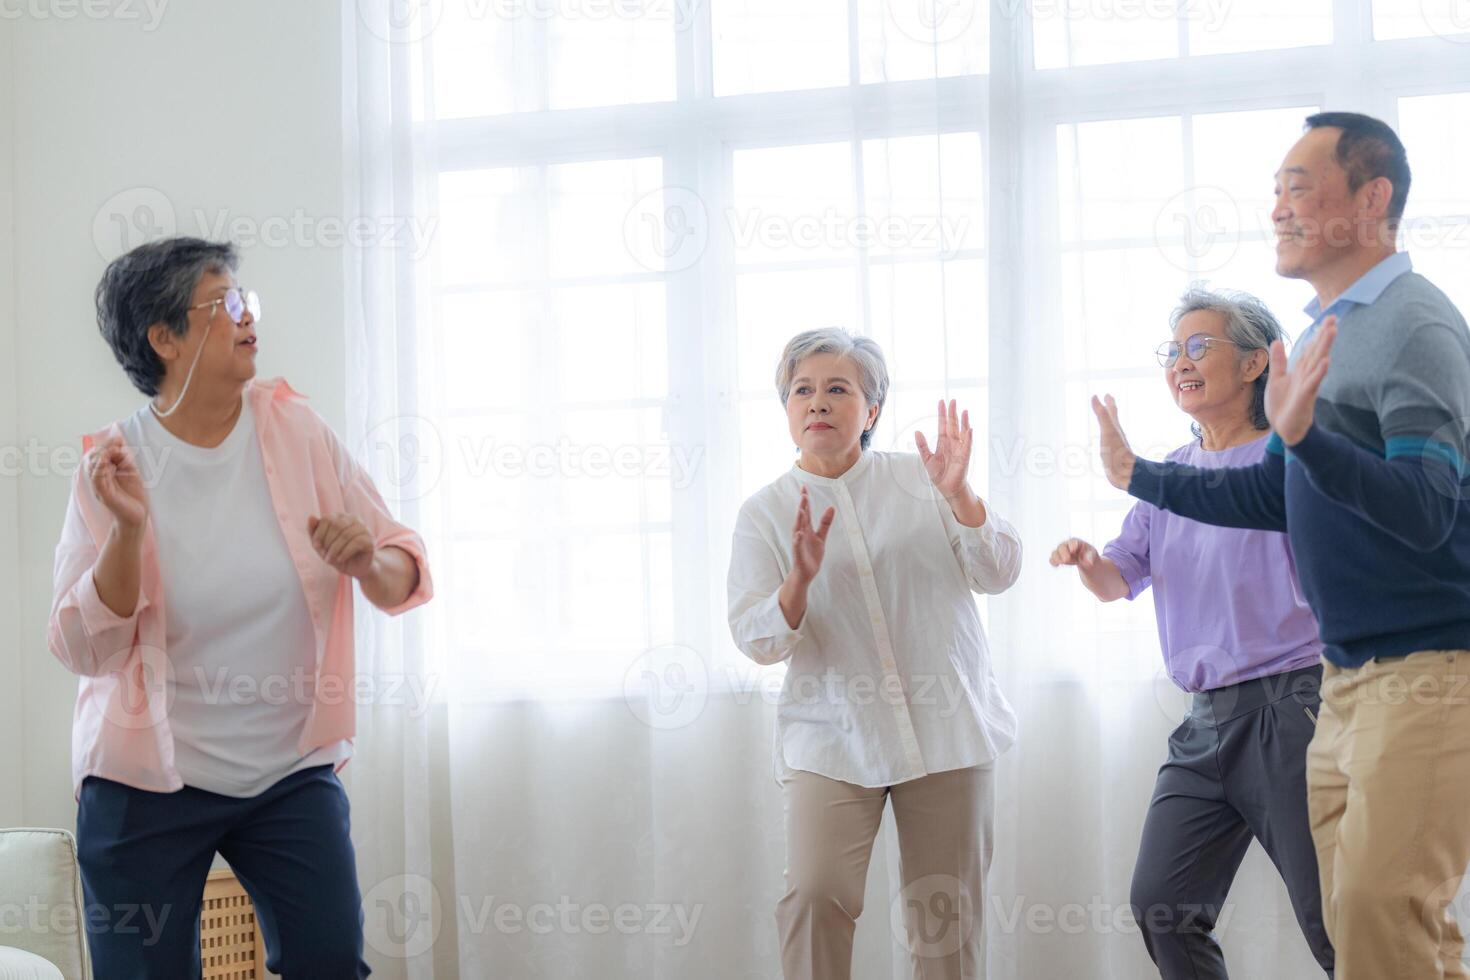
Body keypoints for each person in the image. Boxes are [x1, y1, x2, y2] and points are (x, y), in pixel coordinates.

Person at [1093, 113, 1470, 979]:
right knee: (1379, 928)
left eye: (1298, 186)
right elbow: (1276, 493)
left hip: (1422, 669)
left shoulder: (1414, 326)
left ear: (1372, 198)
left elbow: (1424, 508)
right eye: (1274, 191)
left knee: (1378, 917)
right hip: (1351, 683)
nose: (1277, 209)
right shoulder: (1334, 332)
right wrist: (1141, 477)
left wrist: (1304, 439)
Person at [49, 237, 434, 978]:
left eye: (246, 301)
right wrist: (128, 530)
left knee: (330, 965)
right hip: (144, 782)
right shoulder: (112, 467)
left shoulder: (298, 432)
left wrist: (366, 561)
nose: (248, 316)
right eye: (224, 304)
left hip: (285, 771)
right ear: (165, 338)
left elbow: (403, 571)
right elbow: (82, 649)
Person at [1053, 287, 1333, 977]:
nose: (1181, 361)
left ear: (1252, 366)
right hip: (1205, 722)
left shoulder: (1285, 464)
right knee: (1163, 903)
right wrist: (1091, 562)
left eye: (1198, 346)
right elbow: (1122, 577)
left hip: (1289, 708)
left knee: (1331, 914)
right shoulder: (1168, 476)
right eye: (1172, 351)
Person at [727, 327, 1021, 980]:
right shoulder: (765, 513)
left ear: (873, 409)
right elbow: (756, 638)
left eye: (839, 389)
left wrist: (960, 495)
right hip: (832, 736)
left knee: (946, 921)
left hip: (948, 728)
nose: (819, 402)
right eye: (802, 390)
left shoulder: (925, 481)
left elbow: (999, 572)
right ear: (785, 408)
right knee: (813, 894)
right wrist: (797, 582)